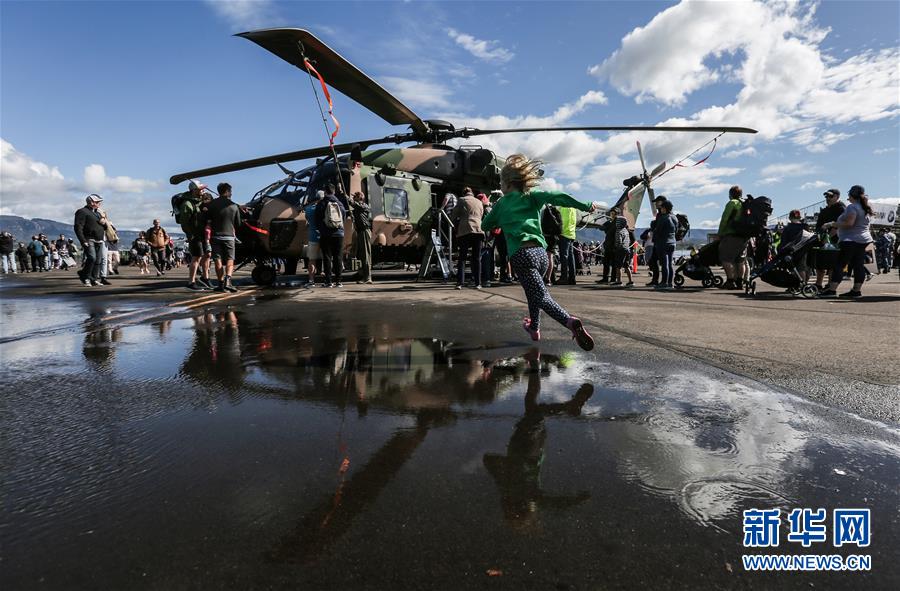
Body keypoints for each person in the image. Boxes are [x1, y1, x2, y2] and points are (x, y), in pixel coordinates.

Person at [481, 154, 597, 350]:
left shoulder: (502, 203)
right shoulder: (532, 197)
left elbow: (485, 224)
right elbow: (558, 196)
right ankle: (534, 328)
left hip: (522, 255)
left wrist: (495, 215)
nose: (500, 186)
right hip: (541, 255)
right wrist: (584, 205)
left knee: (541, 297)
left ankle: (569, 321)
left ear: (508, 183)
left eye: (501, 182)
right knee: (533, 292)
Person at [819, 185, 874, 298]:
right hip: (863, 239)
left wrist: (831, 224)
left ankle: (832, 290)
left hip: (850, 239)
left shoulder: (852, 207)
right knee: (858, 265)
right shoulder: (865, 207)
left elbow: (849, 223)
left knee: (839, 264)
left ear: (851, 195)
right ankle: (856, 291)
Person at [202, 182, 242, 292]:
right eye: (230, 191)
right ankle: (228, 281)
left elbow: (206, 219)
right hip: (229, 237)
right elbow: (238, 224)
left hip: (215, 237)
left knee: (217, 260)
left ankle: (220, 284)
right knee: (230, 259)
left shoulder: (211, 205)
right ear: (227, 191)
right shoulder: (234, 206)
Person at [177, 180, 214, 291]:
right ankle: (191, 282)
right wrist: (191, 235)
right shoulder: (187, 204)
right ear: (194, 190)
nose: (203, 190)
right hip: (195, 235)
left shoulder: (199, 201)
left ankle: (205, 278)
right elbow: (184, 223)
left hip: (203, 234)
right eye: (201, 189)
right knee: (196, 257)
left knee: (207, 255)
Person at [452, 187, 485, 289]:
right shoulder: (479, 202)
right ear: (472, 193)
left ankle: (460, 283)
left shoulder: (462, 200)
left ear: (464, 193)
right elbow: (481, 214)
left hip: (465, 230)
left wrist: (454, 222)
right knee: (476, 258)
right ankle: (478, 283)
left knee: (462, 257)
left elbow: (454, 214)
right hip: (478, 230)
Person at [314, 183, 348, 287]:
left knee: (327, 257)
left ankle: (328, 281)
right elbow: (344, 217)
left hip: (326, 234)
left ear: (325, 191)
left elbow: (317, 219)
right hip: (339, 234)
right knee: (338, 257)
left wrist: (322, 229)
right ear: (334, 191)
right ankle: (339, 281)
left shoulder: (322, 203)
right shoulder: (340, 203)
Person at [717, 185, 748, 290]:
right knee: (740, 260)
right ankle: (740, 282)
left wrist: (720, 233)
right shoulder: (745, 204)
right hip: (744, 236)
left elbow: (725, 219)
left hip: (732, 234)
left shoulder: (732, 203)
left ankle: (730, 281)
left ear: (730, 194)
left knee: (725, 259)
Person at [74, 194, 107, 286]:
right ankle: (86, 277)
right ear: (91, 202)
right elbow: (78, 227)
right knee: (92, 258)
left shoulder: (98, 213)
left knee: (98, 261)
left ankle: (93, 278)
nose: (99, 203)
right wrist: (83, 240)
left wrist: (103, 223)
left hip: (99, 239)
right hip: (89, 239)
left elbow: (104, 227)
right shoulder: (82, 212)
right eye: (97, 202)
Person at [349, 191, 373, 284]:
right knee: (360, 254)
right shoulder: (358, 207)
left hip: (364, 231)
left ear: (360, 198)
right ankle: (362, 273)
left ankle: (368, 277)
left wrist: (344, 194)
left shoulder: (363, 206)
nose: (354, 197)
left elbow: (354, 204)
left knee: (366, 255)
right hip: (360, 231)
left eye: (356, 196)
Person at [653, 199, 678, 290]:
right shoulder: (674, 217)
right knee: (670, 264)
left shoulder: (663, 217)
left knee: (664, 264)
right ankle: (670, 283)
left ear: (665, 208)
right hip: (672, 242)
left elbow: (657, 230)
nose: (661, 209)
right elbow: (676, 230)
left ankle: (664, 282)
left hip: (663, 242)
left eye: (662, 207)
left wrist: (654, 238)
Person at [304, 190, 324, 287]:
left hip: (312, 236)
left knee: (312, 259)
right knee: (327, 258)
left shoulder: (308, 209)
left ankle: (311, 280)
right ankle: (328, 280)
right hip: (324, 236)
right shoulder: (324, 207)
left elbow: (307, 220)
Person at [558, 205, 577, 285]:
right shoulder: (573, 209)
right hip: (571, 234)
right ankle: (572, 278)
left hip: (564, 234)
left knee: (564, 257)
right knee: (571, 257)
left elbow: (563, 221)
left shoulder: (563, 208)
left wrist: (559, 231)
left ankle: (564, 277)